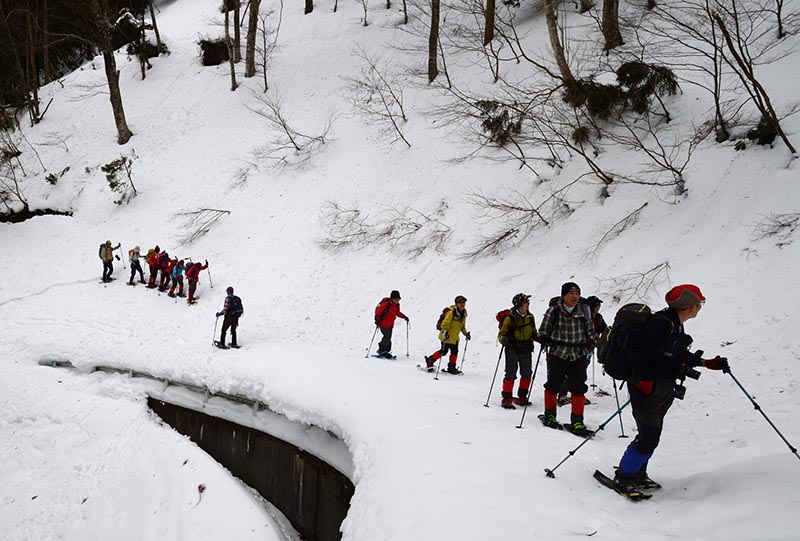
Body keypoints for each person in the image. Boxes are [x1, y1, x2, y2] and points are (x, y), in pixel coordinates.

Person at [613, 284, 729, 494]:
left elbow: (675, 355)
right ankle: (625, 475)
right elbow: (636, 354)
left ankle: (637, 472)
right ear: (691, 306)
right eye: (700, 303)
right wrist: (644, 382)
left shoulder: (674, 324)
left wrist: (706, 363)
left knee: (652, 434)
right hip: (648, 389)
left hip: (663, 388)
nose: (700, 307)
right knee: (649, 435)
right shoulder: (661, 324)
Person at [538, 282, 598, 436]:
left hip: (578, 354)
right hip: (558, 353)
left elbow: (590, 331)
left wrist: (598, 344)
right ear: (564, 295)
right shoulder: (554, 310)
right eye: (571, 293)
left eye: (577, 293)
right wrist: (544, 338)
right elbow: (543, 329)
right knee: (553, 385)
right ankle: (550, 415)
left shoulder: (584, 310)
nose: (574, 296)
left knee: (578, 387)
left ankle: (577, 421)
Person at [558, 295, 607, 405]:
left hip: (588, 349)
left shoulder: (598, 318)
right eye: (597, 305)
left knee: (580, 373)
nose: (599, 307)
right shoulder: (584, 316)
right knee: (572, 372)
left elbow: (604, 329)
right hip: (579, 348)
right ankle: (564, 395)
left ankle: (575, 395)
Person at [497, 293, 539, 409]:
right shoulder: (509, 318)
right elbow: (501, 334)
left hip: (526, 348)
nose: (528, 304)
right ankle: (507, 398)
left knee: (527, 374)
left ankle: (522, 396)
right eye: (526, 302)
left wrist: (541, 339)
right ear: (519, 304)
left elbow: (534, 332)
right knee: (510, 373)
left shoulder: (530, 317)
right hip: (512, 348)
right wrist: (503, 339)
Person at [424, 295, 470, 374]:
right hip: (446, 336)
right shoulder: (451, 313)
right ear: (456, 304)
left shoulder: (463, 314)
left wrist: (466, 334)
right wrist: (445, 333)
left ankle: (451, 367)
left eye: (464, 303)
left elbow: (462, 326)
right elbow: (445, 324)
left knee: (454, 352)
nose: (463, 304)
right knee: (444, 352)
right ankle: (430, 360)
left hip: (455, 338)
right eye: (461, 303)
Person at [373, 290, 409, 359]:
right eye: (396, 299)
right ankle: (381, 350)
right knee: (387, 337)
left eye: (398, 299)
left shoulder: (396, 305)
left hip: (390, 325)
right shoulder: (387, 304)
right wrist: (377, 320)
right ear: (392, 298)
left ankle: (386, 351)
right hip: (383, 324)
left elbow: (397, 313)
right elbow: (378, 311)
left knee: (389, 338)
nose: (397, 301)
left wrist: (404, 317)